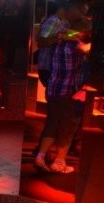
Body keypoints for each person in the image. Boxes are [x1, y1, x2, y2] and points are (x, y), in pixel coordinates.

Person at [34, 28, 91, 174]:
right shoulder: (77, 46)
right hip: (69, 92)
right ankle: (59, 162)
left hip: (53, 89)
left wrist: (70, 35)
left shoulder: (58, 43)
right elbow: (87, 49)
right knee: (68, 127)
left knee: (52, 123)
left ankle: (40, 156)